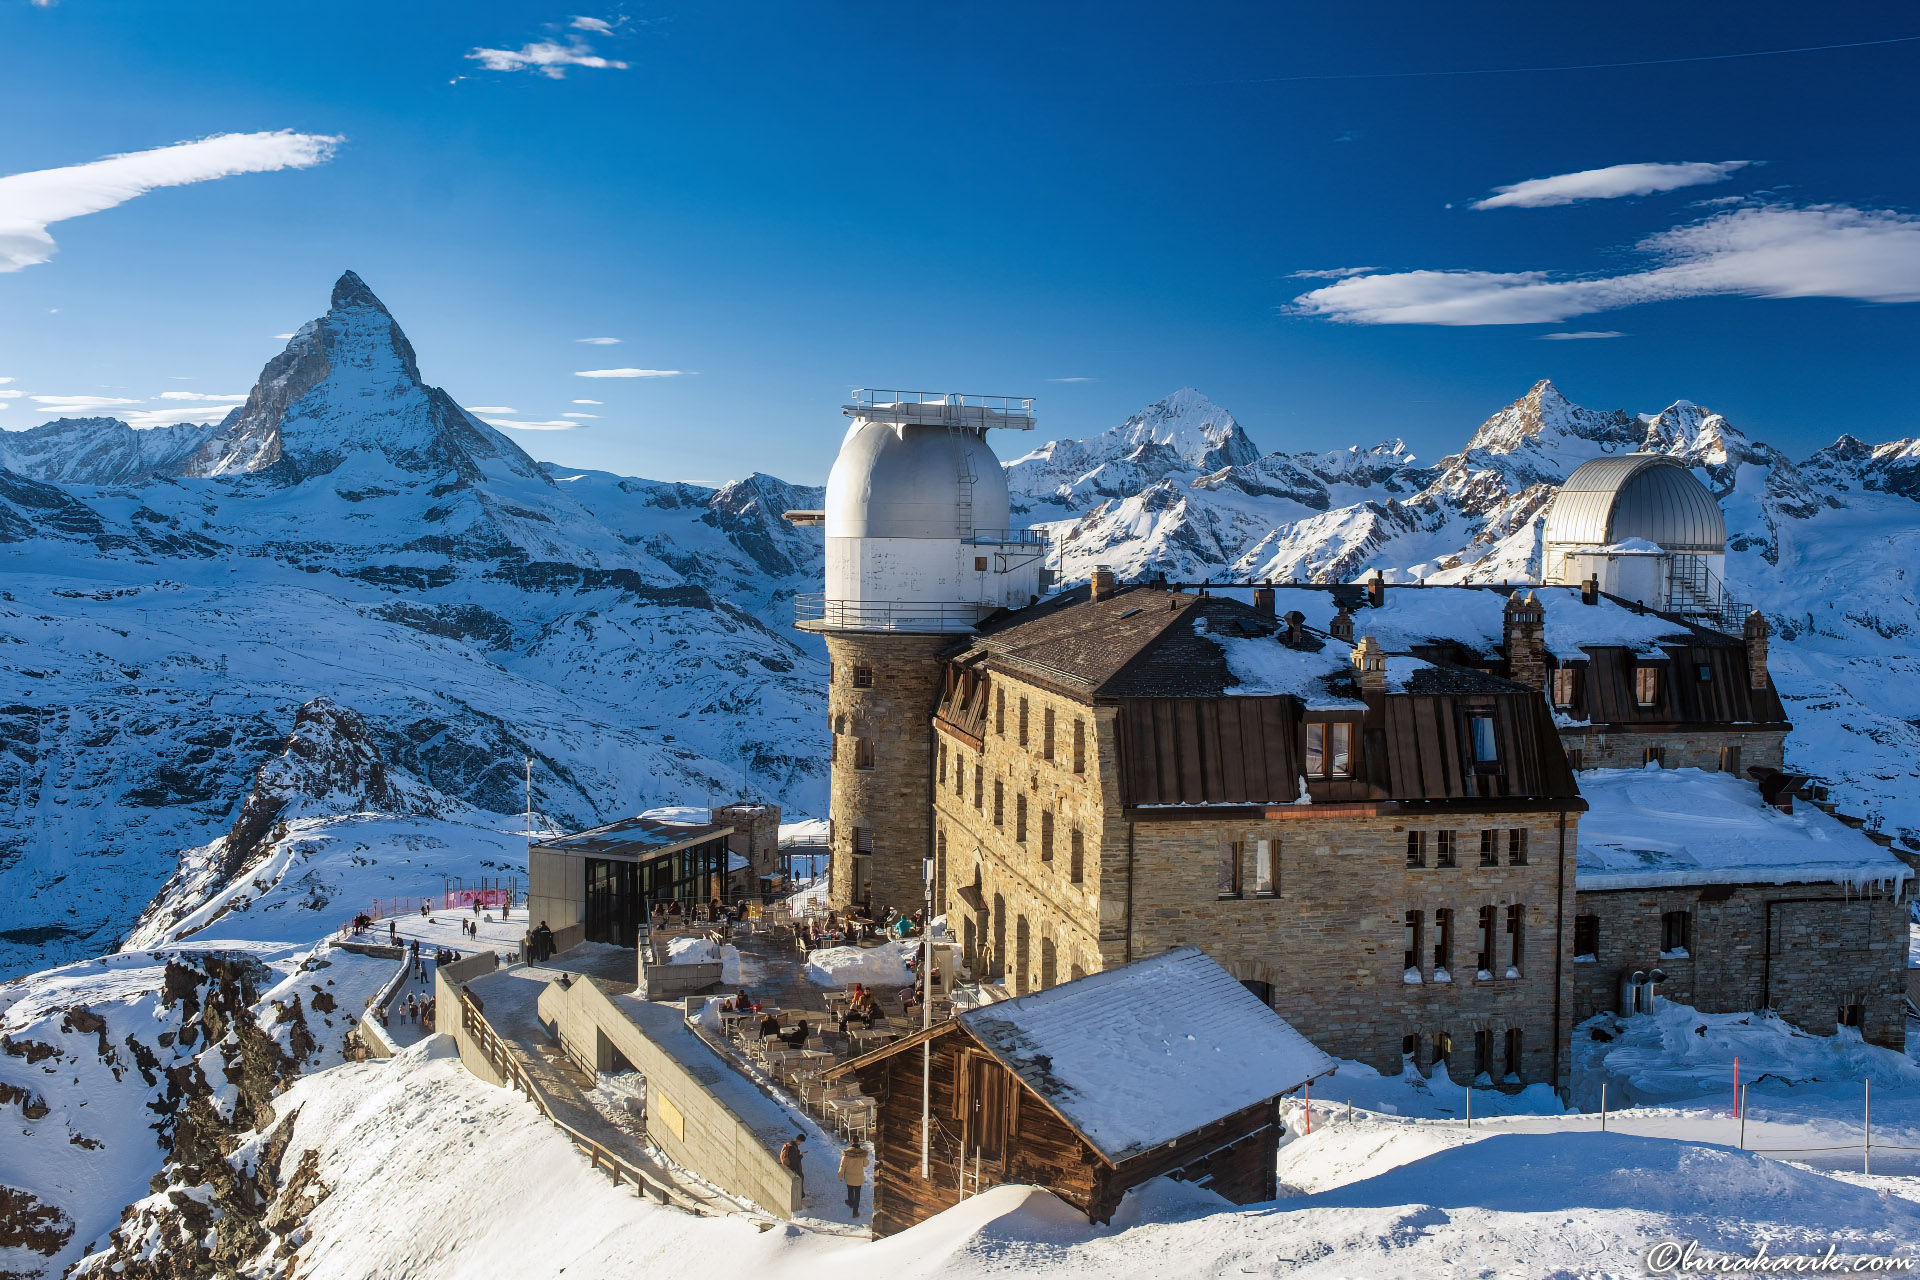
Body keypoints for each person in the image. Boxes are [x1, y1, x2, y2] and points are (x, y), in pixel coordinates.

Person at [838, 1143, 867, 1218]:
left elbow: (842, 1166)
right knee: (857, 1195)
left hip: (849, 1177)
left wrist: (840, 1176)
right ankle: (855, 1212)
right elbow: (866, 1164)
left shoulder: (846, 1154)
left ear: (852, 1144)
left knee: (850, 1189)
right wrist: (865, 1157)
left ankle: (850, 1203)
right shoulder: (862, 1154)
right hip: (858, 1178)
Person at [778, 1133, 806, 1197]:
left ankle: (801, 1194)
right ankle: (801, 1195)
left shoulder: (791, 1144)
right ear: (799, 1140)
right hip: (791, 1166)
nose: (801, 1143)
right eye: (801, 1142)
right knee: (800, 1176)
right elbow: (794, 1161)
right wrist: (801, 1155)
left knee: (801, 1176)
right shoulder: (792, 1148)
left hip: (790, 1164)